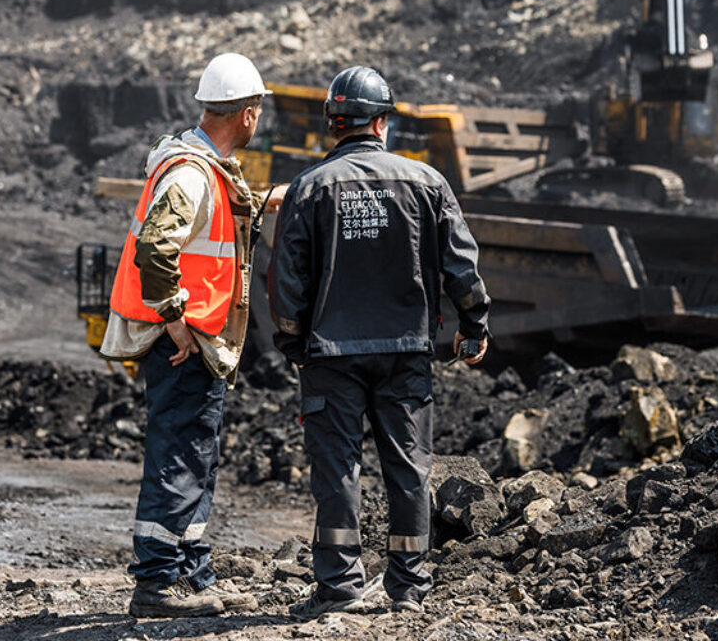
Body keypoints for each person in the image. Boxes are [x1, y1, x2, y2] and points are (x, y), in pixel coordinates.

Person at [268, 66, 491, 619]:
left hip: (331, 355)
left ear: (333, 125)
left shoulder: (308, 187)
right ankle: (408, 587)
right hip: (406, 352)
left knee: (337, 468)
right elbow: (461, 265)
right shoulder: (426, 182)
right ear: (383, 122)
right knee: (409, 467)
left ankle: (339, 585)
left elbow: (286, 279)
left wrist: (294, 343)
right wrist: (474, 325)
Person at [100, 52, 287, 618]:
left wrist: (279, 197)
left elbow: (227, 213)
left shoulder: (206, 169)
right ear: (248, 114)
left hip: (202, 344)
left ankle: (191, 571)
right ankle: (156, 582)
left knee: (197, 458)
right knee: (178, 457)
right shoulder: (189, 173)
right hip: (183, 342)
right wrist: (174, 318)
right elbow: (156, 246)